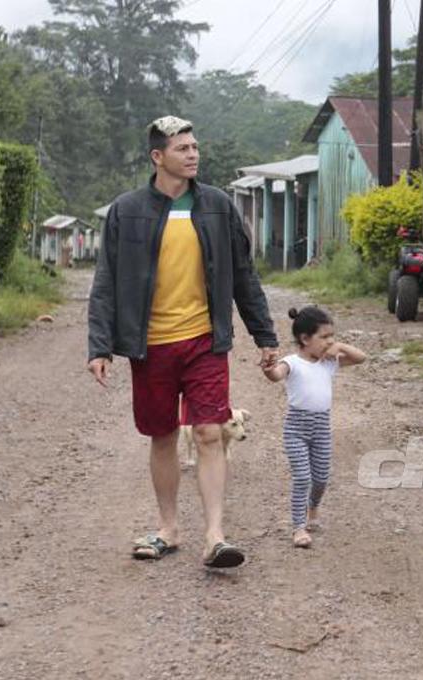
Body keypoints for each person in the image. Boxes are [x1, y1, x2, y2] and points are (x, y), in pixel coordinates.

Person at [87, 115, 280, 569]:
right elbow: (106, 281)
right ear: (158, 157)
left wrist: (264, 335)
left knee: (210, 432)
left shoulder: (217, 206)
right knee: (162, 435)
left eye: (195, 147)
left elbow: (243, 275)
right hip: (150, 344)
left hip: (203, 342)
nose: (193, 154)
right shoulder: (127, 210)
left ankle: (214, 536)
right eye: (182, 149)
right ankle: (169, 528)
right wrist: (99, 346)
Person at [262, 307, 367, 548]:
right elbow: (277, 374)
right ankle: (298, 528)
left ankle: (313, 508)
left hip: (321, 429)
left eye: (332, 336)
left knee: (320, 478)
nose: (329, 341)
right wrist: (269, 369)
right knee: (302, 477)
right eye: (324, 337)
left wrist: (339, 346)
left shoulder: (329, 363)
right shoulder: (292, 362)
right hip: (296, 429)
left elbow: (361, 357)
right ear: (305, 339)